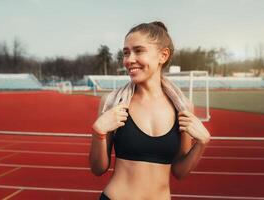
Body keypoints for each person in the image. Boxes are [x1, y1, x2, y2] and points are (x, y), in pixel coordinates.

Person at [89, 21, 211, 200]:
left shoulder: (182, 107)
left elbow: (179, 171)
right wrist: (98, 133)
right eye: (126, 52)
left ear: (163, 55)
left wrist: (202, 144)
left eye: (138, 51)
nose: (129, 60)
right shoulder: (113, 102)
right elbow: (98, 169)